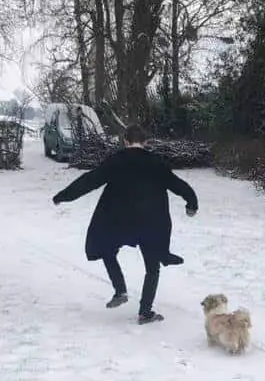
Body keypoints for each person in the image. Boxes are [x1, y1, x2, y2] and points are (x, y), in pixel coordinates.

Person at [52, 123, 198, 324]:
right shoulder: (156, 162)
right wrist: (192, 202)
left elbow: (89, 180)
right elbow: (177, 184)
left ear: (125, 141)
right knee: (152, 266)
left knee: (106, 250)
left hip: (118, 220)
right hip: (150, 221)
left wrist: (64, 196)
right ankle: (145, 312)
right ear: (146, 142)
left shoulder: (115, 160)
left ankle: (120, 289)